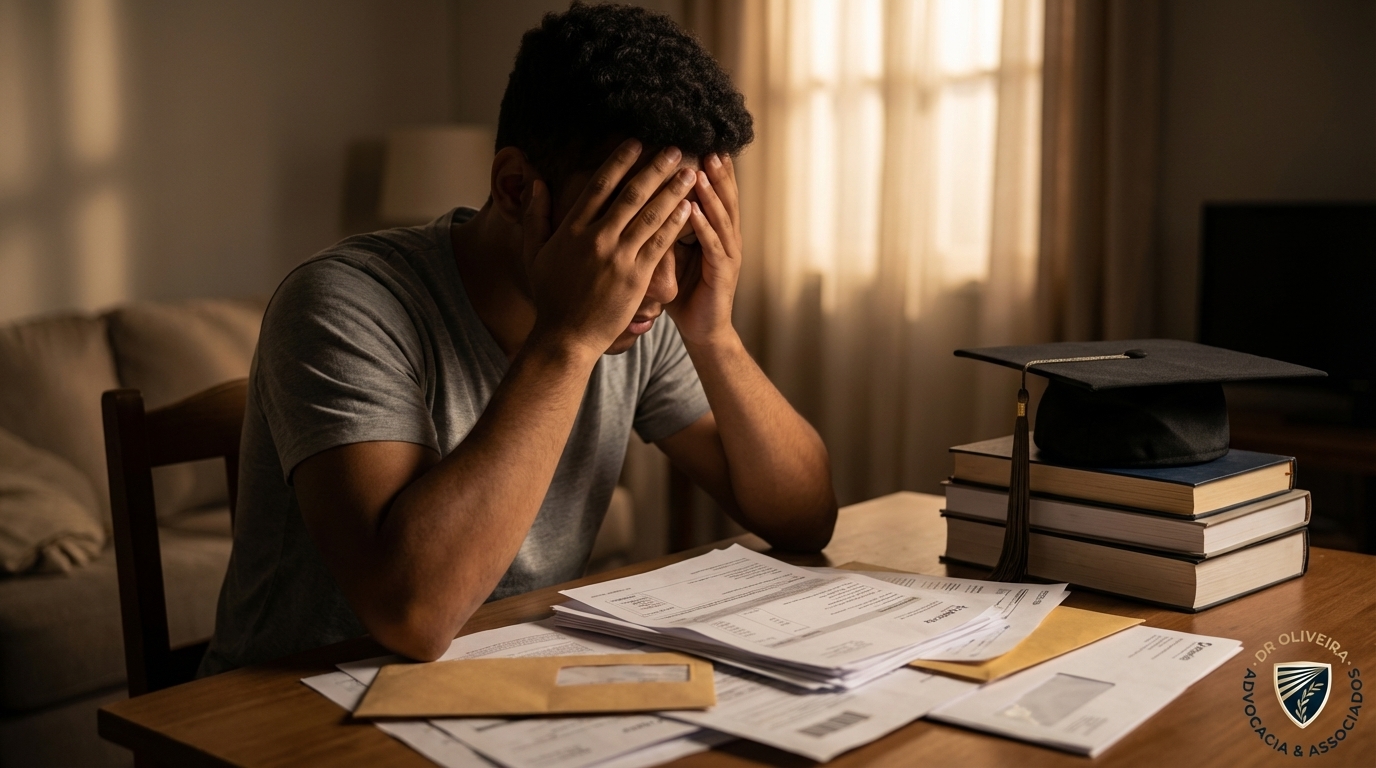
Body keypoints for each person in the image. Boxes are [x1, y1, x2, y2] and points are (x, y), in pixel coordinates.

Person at [200, 3, 837, 676]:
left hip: (502, 684)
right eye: (634, 234)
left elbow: (805, 519)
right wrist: (568, 340)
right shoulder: (343, 302)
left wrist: (716, 336)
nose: (665, 285)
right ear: (514, 188)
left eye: (683, 244)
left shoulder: (645, 309)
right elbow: (413, 616)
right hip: (287, 711)